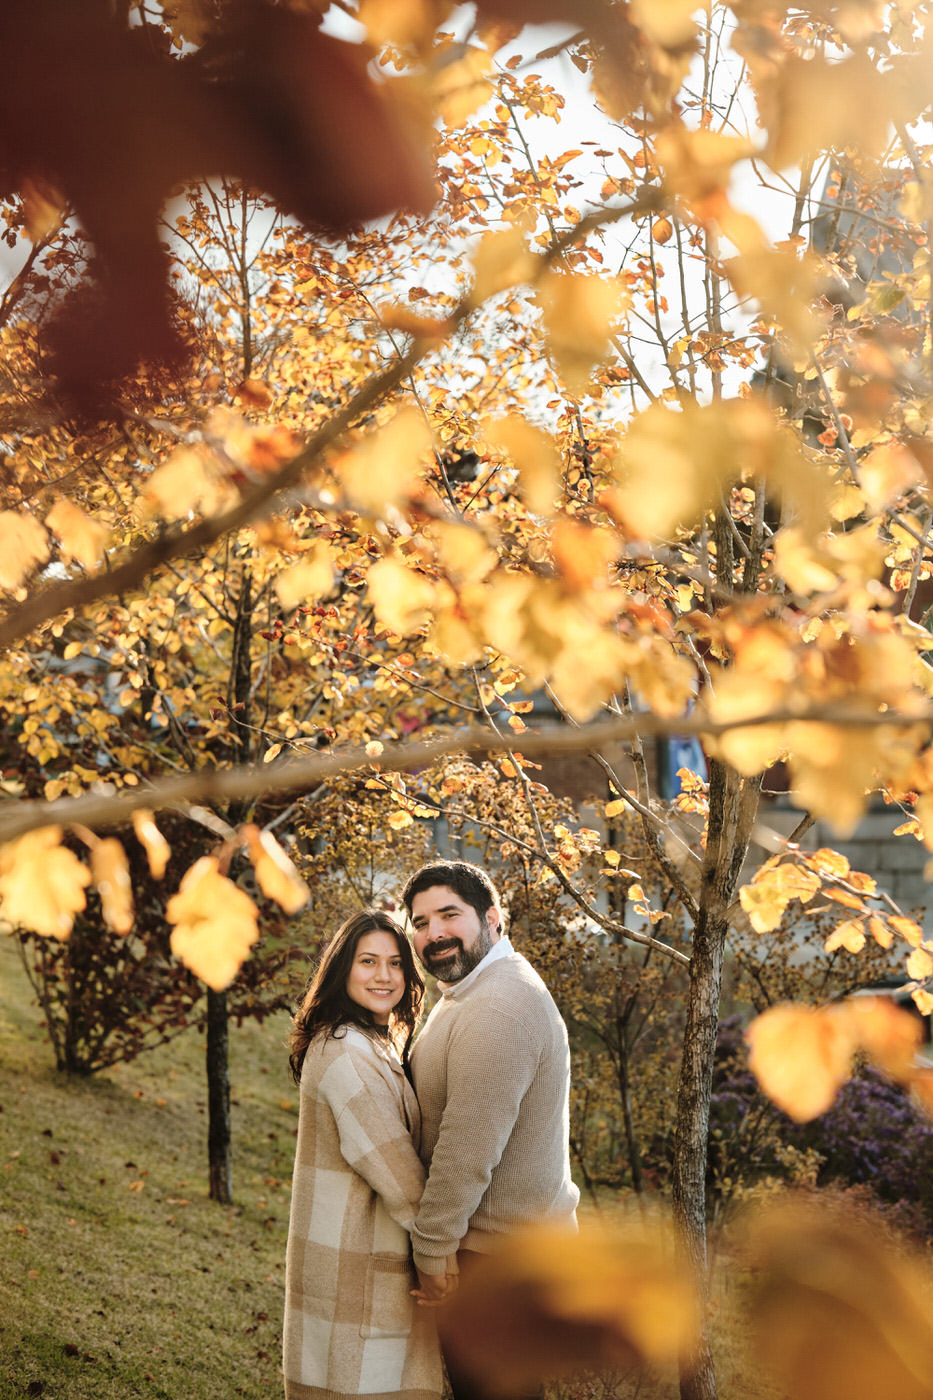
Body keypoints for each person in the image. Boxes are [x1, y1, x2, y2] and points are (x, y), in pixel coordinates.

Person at [402, 860, 580, 1397]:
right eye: (420, 921)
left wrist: (433, 1249)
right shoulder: (473, 992)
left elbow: (469, 1145)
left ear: (493, 918)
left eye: (449, 915)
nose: (434, 933)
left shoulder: (502, 1003)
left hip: (499, 1261)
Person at [283, 909, 444, 1400]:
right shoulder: (345, 1051)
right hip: (353, 1257)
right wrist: (441, 1251)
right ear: (342, 969)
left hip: (356, 1253)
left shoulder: (372, 1042)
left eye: (396, 964)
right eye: (368, 961)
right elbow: (397, 1173)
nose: (384, 976)